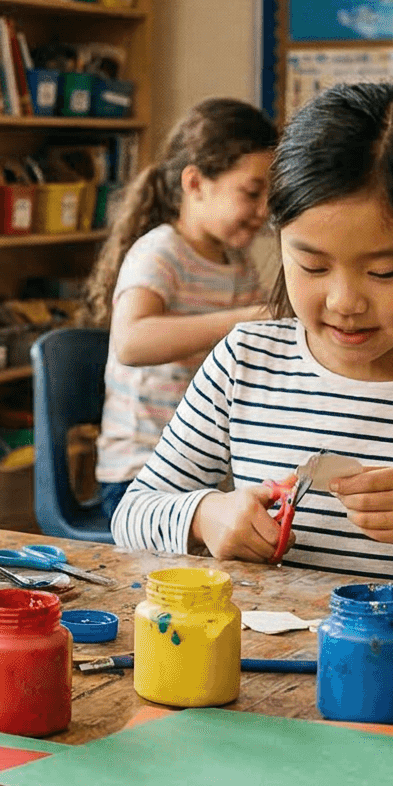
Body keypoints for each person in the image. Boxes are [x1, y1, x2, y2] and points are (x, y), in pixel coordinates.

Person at [110, 84, 393, 597]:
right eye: (312, 265)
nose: (345, 301)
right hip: (269, 667)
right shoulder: (244, 361)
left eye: (385, 272)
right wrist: (205, 514)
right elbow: (132, 515)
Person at [87, 98, 278, 518]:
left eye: (271, 194)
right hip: (142, 479)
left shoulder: (238, 264)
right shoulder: (160, 252)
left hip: (209, 476)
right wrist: (245, 319)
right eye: (251, 192)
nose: (264, 211)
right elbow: (131, 342)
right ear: (195, 184)